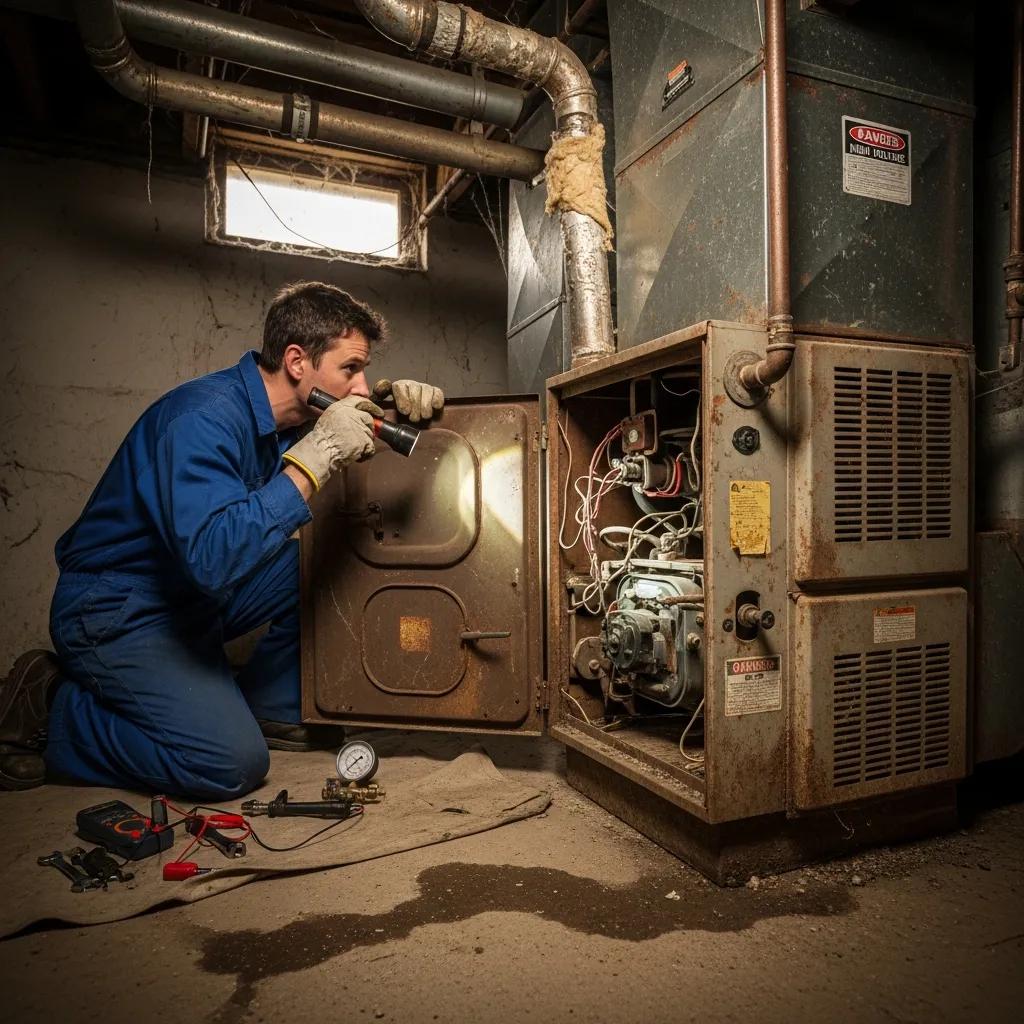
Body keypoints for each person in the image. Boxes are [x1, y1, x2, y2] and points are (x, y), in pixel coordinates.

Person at [0, 281, 444, 798]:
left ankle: (274, 704)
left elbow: (286, 510)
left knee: (334, 554)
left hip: (193, 599)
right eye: (350, 369)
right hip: (116, 609)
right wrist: (319, 455)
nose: (362, 385)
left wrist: (391, 411)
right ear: (297, 362)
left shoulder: (287, 419)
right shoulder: (203, 418)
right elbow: (213, 558)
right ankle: (52, 703)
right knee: (227, 763)